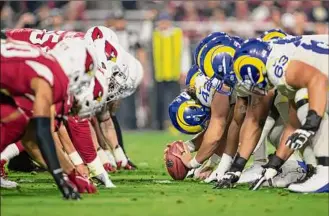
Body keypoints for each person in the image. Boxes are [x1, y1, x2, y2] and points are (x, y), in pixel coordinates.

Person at [232, 35, 328, 193]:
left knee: (305, 97)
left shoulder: (277, 66)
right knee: (302, 105)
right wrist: (275, 164)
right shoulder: (280, 53)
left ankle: (325, 171)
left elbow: (318, 81)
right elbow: (293, 123)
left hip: (321, 80)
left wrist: (311, 123)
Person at [152, 12, 191, 130]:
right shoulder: (155, 34)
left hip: (174, 73)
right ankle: (160, 125)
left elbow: (184, 53)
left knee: (174, 99)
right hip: (160, 74)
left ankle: (174, 123)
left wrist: (184, 70)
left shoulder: (177, 34)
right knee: (160, 100)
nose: (163, 24)